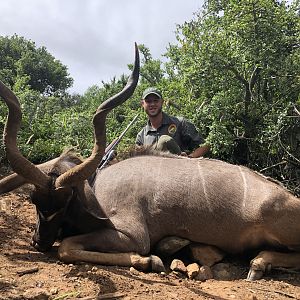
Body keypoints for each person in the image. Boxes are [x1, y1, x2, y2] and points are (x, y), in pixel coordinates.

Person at [136, 87, 210, 158]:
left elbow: (205, 146)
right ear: (142, 104)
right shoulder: (141, 136)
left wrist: (189, 158)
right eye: (148, 101)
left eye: (156, 101)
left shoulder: (180, 123)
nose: (152, 104)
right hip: (153, 169)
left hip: (179, 167)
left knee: (165, 140)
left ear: (162, 102)